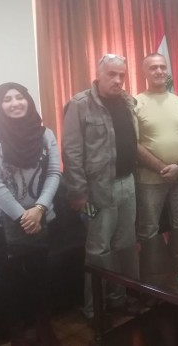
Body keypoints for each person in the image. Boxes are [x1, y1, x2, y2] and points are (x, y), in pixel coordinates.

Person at [0, 82, 60, 346]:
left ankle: (43, 326)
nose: (15, 103)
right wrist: (23, 216)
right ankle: (17, 333)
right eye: (7, 99)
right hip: (1, 223)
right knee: (9, 280)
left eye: (20, 97)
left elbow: (54, 173)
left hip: (40, 215)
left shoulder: (45, 135)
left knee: (40, 276)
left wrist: (39, 208)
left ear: (28, 101)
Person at [61, 53, 138, 321]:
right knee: (98, 250)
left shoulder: (127, 101)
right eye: (111, 74)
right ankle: (94, 309)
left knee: (125, 246)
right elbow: (71, 152)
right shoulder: (80, 104)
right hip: (96, 192)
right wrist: (78, 192)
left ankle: (118, 299)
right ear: (98, 74)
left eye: (121, 75)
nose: (117, 80)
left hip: (128, 183)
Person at [135, 53, 178, 241]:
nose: (159, 71)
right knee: (148, 230)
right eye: (153, 67)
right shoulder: (135, 103)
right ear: (144, 72)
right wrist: (164, 169)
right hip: (150, 180)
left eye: (162, 67)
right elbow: (134, 145)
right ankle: (152, 262)